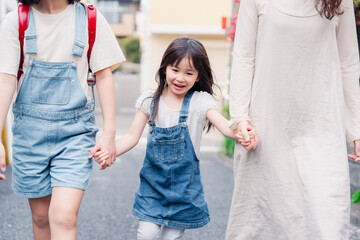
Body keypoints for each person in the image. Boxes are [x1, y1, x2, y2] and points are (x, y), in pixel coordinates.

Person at [226, 0, 360, 239]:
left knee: (328, 222)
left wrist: (356, 129)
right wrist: (240, 118)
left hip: (323, 127)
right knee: (264, 225)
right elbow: (244, 57)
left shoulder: (340, 2)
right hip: (267, 129)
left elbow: (348, 63)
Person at [90, 37, 247, 240]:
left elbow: (225, 126)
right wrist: (110, 152)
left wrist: (242, 131)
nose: (180, 78)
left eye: (189, 73)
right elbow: (131, 136)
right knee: (147, 235)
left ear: (198, 76)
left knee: (171, 238)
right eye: (175, 70)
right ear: (165, 69)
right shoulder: (150, 101)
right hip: (152, 188)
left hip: (183, 190)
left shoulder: (200, 102)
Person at [0, 0, 125, 239]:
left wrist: (109, 133)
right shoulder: (16, 21)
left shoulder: (90, 19)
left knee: (64, 217)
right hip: (29, 136)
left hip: (75, 134)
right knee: (40, 218)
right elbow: (5, 81)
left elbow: (103, 75)